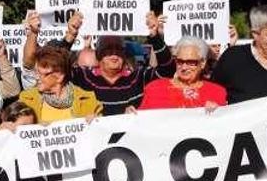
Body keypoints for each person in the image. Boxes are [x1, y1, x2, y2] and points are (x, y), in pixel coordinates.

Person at [22, 11, 173, 115]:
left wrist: (155, 37)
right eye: (108, 48)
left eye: (118, 48)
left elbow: (168, 70)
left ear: (124, 53)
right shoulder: (83, 78)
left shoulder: (139, 77)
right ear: (98, 54)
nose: (114, 53)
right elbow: (55, 67)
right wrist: (71, 35)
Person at [18, 45, 101, 122]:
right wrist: (9, 127)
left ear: (59, 76)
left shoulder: (87, 100)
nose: (37, 77)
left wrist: (96, 123)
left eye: (43, 74)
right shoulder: (27, 100)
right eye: (36, 72)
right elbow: (15, 129)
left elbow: (101, 133)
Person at [140, 36, 227, 110]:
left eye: (191, 62)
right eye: (180, 61)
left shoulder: (217, 92)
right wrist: (131, 115)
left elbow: (224, 124)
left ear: (203, 63)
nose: (184, 67)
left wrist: (218, 114)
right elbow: (142, 121)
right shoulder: (155, 88)